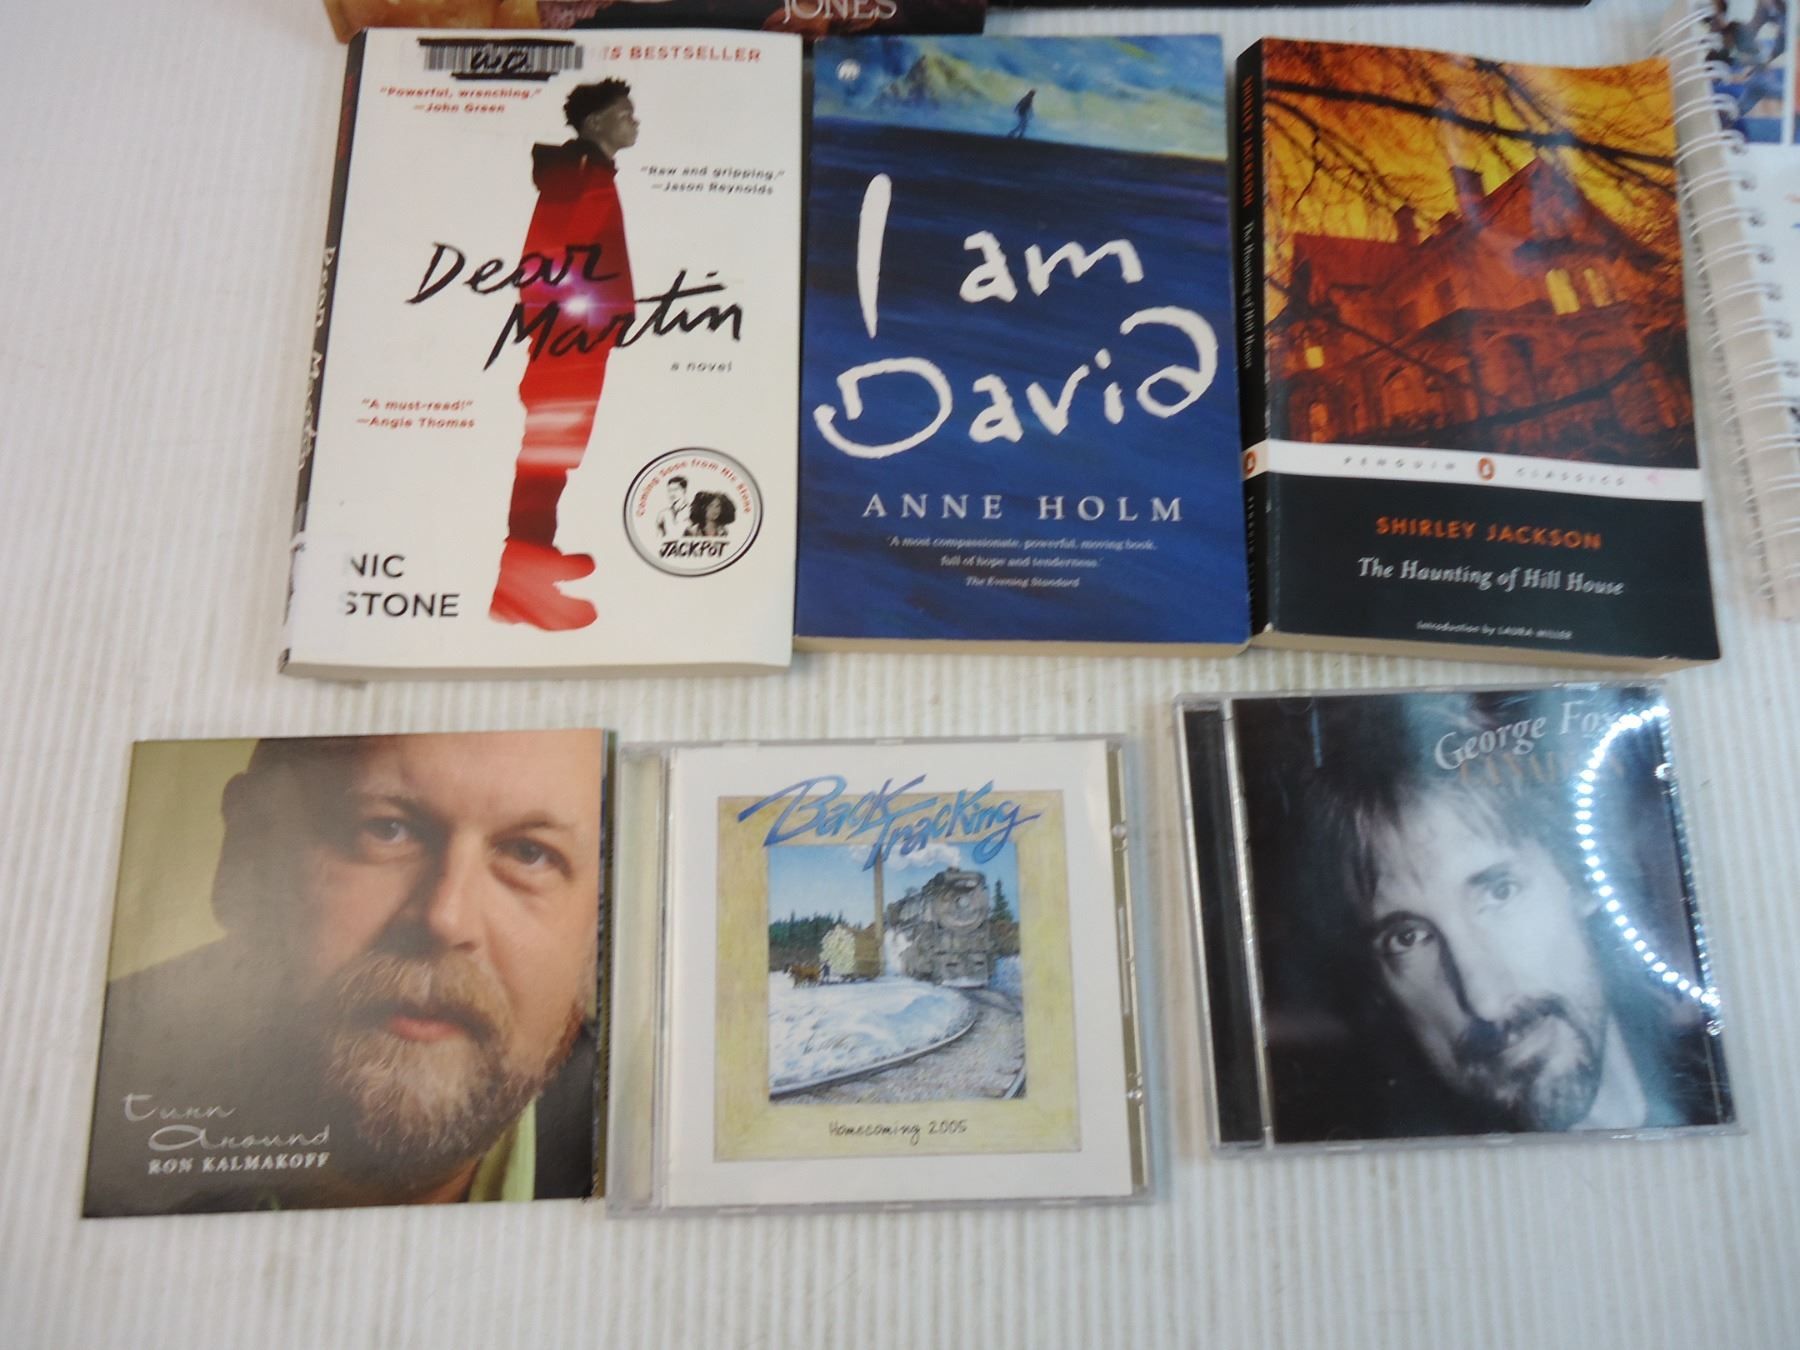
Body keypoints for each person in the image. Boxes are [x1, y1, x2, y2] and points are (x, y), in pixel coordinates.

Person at [84, 731, 604, 1215]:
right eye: (386, 829)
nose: (446, 919)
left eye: (530, 854)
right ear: (247, 847)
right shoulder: (75, 1090)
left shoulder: (638, 1135)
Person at [1282, 693, 1729, 1137]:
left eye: (1499, 892)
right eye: (1407, 937)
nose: (1485, 1002)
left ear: (1579, 878)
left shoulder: (1733, 1077)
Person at [490, 79, 641, 632]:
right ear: (596, 123)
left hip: (576, 338)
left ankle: (534, 558)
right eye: (625, 114)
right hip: (570, 341)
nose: (634, 122)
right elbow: (548, 262)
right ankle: (519, 590)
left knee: (554, 452)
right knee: (547, 454)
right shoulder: (580, 174)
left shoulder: (589, 171)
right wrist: (570, 334)